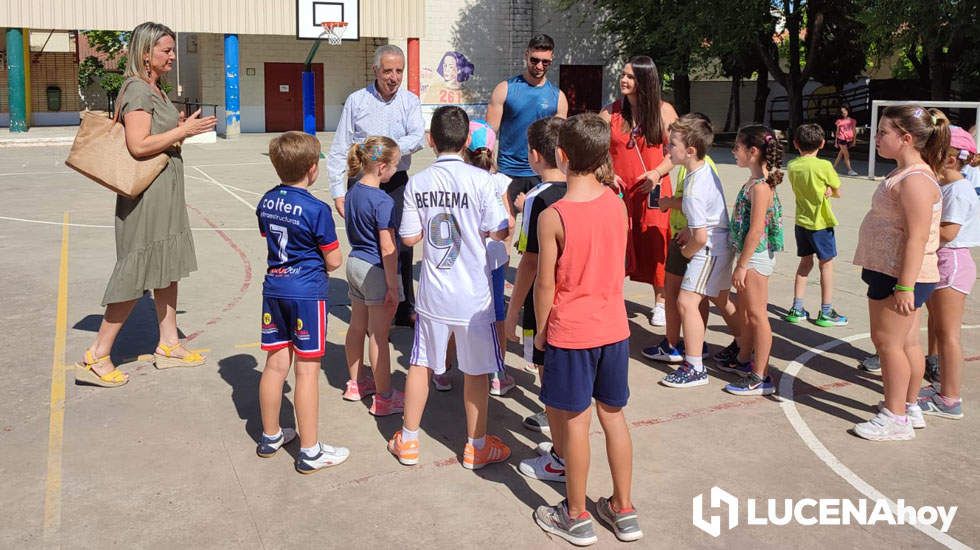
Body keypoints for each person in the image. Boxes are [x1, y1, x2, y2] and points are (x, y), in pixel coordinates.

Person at [74, 21, 216, 388]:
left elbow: (155, 135)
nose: (172, 56)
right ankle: (96, 356)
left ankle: (168, 345)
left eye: (172, 49)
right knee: (136, 271)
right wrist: (182, 131)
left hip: (164, 192)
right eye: (166, 50)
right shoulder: (138, 90)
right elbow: (138, 145)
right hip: (147, 196)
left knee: (166, 267)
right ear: (145, 54)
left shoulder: (155, 89)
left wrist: (178, 127)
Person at [532, 114, 641, 546]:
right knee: (613, 417)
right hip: (614, 328)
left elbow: (546, 283)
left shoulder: (554, 215)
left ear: (561, 155)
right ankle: (623, 508)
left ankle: (575, 515)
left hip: (571, 332)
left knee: (575, 423)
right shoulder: (617, 203)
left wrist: (541, 331)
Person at [386, 106, 511, 469]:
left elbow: (409, 236)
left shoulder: (419, 182)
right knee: (476, 371)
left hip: (434, 293)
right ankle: (476, 445)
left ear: (430, 140)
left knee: (421, 364)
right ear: (465, 141)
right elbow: (499, 230)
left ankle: (408, 440)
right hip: (473, 295)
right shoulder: (482, 180)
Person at [255, 132, 350, 473]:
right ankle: (310, 450)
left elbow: (269, 237)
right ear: (312, 169)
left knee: (275, 364)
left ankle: (271, 435)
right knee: (307, 371)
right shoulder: (316, 209)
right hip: (306, 293)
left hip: (275, 288)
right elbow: (335, 259)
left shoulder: (266, 200)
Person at [852, 105, 947, 441]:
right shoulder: (905, 174)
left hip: (900, 276)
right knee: (906, 343)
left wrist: (905, 286)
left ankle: (895, 418)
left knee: (887, 344)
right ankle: (909, 406)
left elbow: (917, 237)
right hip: (889, 271)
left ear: (906, 139)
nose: (876, 138)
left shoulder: (916, 180)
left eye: (883, 133)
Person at [326, 44, 425, 327]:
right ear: (375, 71)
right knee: (369, 246)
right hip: (364, 183)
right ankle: (370, 307)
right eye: (388, 71)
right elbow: (339, 147)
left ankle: (403, 306)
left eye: (399, 71)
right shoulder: (357, 101)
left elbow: (418, 136)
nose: (393, 77)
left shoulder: (409, 101)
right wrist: (338, 192)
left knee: (402, 246)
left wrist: (386, 151)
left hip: (396, 182)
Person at [501, 116, 568, 479]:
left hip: (544, 300)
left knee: (546, 367)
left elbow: (528, 262)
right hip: (575, 297)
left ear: (534, 155)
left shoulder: (538, 200)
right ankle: (559, 437)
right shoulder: (582, 190)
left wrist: (512, 311)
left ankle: (559, 454)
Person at [646, 113, 740, 366]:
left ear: (689, 150)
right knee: (719, 298)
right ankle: (745, 345)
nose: (667, 149)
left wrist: (687, 253)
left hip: (707, 248)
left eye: (671, 145)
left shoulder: (695, 186)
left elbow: (700, 236)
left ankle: (694, 365)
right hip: (716, 242)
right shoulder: (700, 169)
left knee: (686, 302)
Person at [600, 56, 677, 327]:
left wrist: (657, 172)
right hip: (618, 191)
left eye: (631, 76)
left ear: (645, 80)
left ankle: (661, 301)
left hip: (653, 191)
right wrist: (607, 173)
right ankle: (611, 298)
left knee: (656, 245)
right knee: (616, 246)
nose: (624, 80)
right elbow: (595, 149)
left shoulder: (663, 110)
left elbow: (677, 151)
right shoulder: (610, 112)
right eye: (623, 74)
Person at [341, 136, 405, 416]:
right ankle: (385, 395)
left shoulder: (353, 190)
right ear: (381, 167)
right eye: (394, 165)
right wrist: (393, 286)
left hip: (355, 262)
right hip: (376, 269)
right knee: (379, 335)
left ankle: (355, 382)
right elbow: (388, 246)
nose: (396, 170)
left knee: (357, 326)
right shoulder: (382, 201)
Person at [721, 125, 785, 396]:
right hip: (750, 256)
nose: (734, 151)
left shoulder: (761, 187)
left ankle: (761, 376)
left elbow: (756, 229)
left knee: (758, 316)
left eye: (737, 147)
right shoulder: (754, 182)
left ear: (753, 151)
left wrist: (742, 264)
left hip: (755, 258)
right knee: (748, 312)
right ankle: (745, 358)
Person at [920, 126, 979, 420]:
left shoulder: (958, 189)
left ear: (951, 159)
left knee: (948, 334)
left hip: (951, 262)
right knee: (942, 330)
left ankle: (950, 398)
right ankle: (943, 387)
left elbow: (949, 231)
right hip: (942, 260)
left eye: (933, 153)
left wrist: (917, 230)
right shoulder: (948, 186)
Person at [462, 119, 518, 396]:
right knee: (496, 314)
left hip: (466, 258)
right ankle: (498, 374)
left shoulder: (460, 180)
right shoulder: (498, 181)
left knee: (463, 312)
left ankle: (446, 372)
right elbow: (507, 222)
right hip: (493, 259)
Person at [486, 33, 569, 214]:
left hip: (543, 173)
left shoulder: (558, 97)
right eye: (534, 60)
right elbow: (489, 133)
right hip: (508, 171)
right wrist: (487, 164)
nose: (539, 66)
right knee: (505, 229)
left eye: (545, 62)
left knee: (540, 227)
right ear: (526, 55)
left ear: (551, 59)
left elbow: (561, 141)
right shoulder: (505, 89)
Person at [784, 123, 848, 327]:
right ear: (822, 143)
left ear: (796, 143)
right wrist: (830, 190)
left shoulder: (793, 166)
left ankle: (797, 307)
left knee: (805, 264)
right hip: (820, 223)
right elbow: (838, 191)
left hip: (801, 222)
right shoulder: (824, 166)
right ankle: (826, 311)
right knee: (826, 265)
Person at [834, 105, 859, 176]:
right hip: (841, 139)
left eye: (845, 111)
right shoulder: (839, 121)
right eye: (842, 112)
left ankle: (833, 168)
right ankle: (850, 170)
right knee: (846, 154)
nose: (844, 112)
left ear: (847, 111)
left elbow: (854, 131)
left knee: (840, 154)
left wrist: (854, 140)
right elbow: (837, 132)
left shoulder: (852, 120)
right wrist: (836, 142)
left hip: (849, 139)